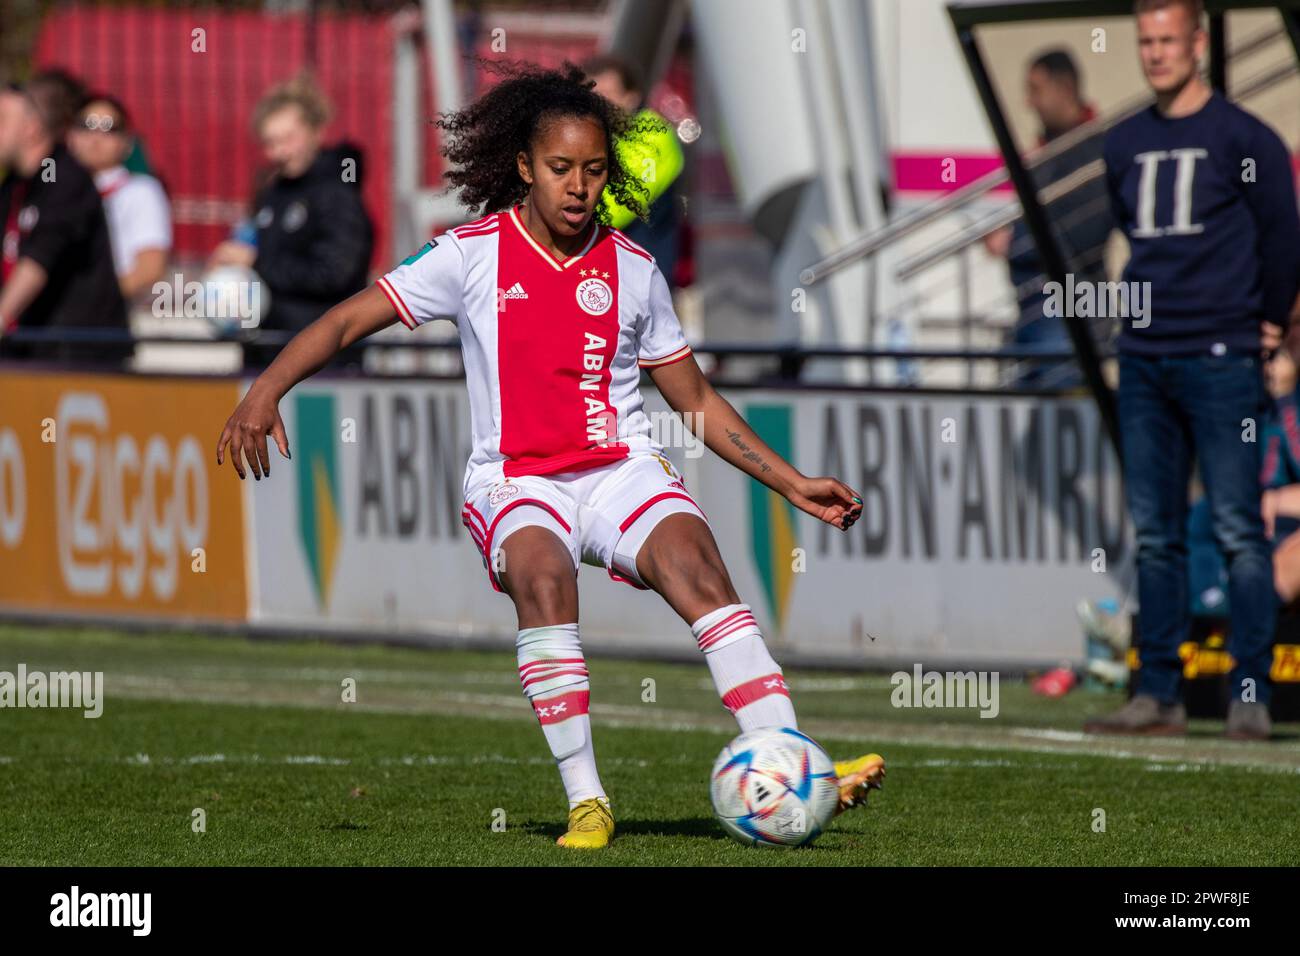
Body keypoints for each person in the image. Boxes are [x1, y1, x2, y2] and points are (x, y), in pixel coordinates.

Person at [215, 62, 884, 849]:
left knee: (697, 567)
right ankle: (588, 800)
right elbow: (344, 322)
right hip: (515, 478)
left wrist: (792, 483)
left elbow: (694, 401)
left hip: (618, 468)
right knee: (544, 574)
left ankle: (796, 763)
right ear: (526, 168)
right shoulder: (468, 256)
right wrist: (266, 391)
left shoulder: (635, 271)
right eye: (561, 169)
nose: (578, 188)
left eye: (594, 171)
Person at [1084, 0, 1300, 741]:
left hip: (1222, 357)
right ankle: (1157, 694)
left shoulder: (1246, 137)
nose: (1155, 53)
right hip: (1144, 359)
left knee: (1242, 529)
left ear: (1198, 43)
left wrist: (1267, 321)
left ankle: (1250, 695)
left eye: (1168, 40)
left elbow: (1283, 234)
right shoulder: (1124, 142)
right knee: (1155, 534)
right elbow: (1122, 226)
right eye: (1145, 41)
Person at [209, 74, 373, 366]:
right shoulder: (273, 192)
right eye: (270, 143)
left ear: (315, 132)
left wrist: (256, 262)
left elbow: (333, 275)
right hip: (269, 354)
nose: (279, 152)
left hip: (323, 359)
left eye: (288, 139)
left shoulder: (337, 194)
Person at [984, 49, 1112, 387]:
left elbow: (1086, 232)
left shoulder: (1093, 151)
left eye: (1036, 90)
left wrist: (1018, 239)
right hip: (1035, 318)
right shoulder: (1048, 152)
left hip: (1070, 319)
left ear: (1065, 88)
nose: (1029, 103)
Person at [0, 71, 128, 363]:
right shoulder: (14, 186)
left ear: (31, 128)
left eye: (3, 120)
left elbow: (38, 260)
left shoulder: (66, 178)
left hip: (81, 357)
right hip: (28, 350)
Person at [583, 54, 685, 285]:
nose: (598, 104)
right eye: (589, 96)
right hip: (596, 273)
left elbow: (623, 203)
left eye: (607, 95)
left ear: (631, 98)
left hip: (641, 278)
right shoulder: (587, 137)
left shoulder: (653, 134)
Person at [67, 93, 172, 301]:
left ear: (127, 142)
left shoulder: (141, 191)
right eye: (86, 125)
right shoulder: (54, 189)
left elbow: (150, 268)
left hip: (104, 318)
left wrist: (84, 300)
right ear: (70, 135)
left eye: (109, 128)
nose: (95, 137)